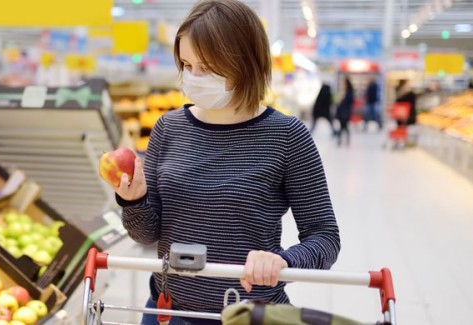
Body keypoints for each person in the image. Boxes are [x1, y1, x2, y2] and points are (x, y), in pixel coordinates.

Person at [103, 1, 341, 324]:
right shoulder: (168, 128)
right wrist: (134, 201)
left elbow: (325, 237)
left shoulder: (287, 136)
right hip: (166, 311)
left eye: (208, 67)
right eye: (187, 65)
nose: (194, 77)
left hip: (248, 315)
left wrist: (282, 263)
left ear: (245, 63)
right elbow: (148, 235)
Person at [336, 77, 354, 146]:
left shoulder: (349, 92)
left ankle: (342, 140)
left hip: (345, 111)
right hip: (344, 111)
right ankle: (342, 140)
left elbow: (349, 102)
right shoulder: (347, 91)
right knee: (343, 126)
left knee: (344, 126)